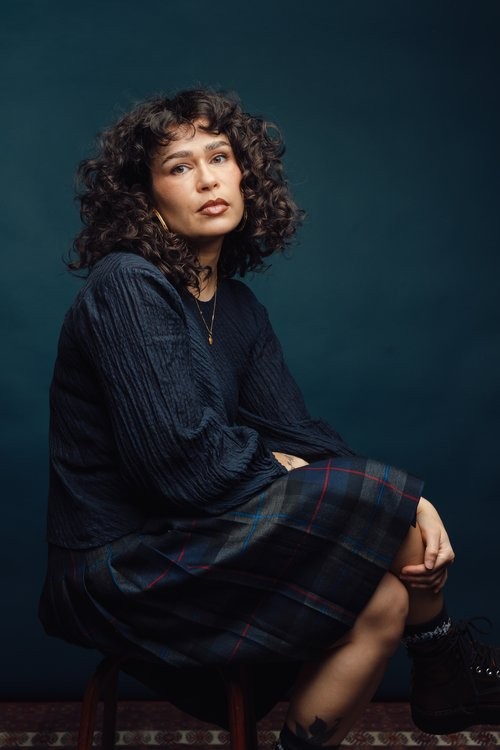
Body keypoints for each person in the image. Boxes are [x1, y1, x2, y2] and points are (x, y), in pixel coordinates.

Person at [39, 88, 500, 746]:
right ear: (145, 195)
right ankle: (444, 660)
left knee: (388, 599)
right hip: (122, 566)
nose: (206, 179)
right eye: (179, 166)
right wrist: (379, 497)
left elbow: (300, 436)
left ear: (245, 173)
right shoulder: (126, 285)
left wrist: (412, 504)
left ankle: (431, 658)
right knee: (374, 506)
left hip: (198, 544)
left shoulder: (241, 307)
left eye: (219, 157)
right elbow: (180, 465)